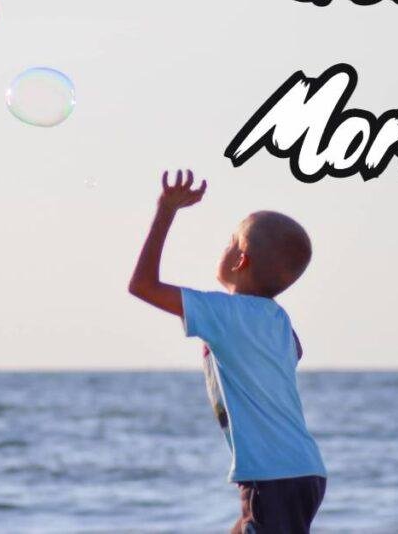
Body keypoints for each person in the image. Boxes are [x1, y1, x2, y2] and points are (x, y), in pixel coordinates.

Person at [128, 169, 327, 534]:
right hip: (302, 471)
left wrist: (165, 211)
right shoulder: (277, 318)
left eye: (230, 242)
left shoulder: (226, 313)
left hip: (272, 477)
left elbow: (142, 285)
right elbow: (295, 352)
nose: (223, 248)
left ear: (241, 261)